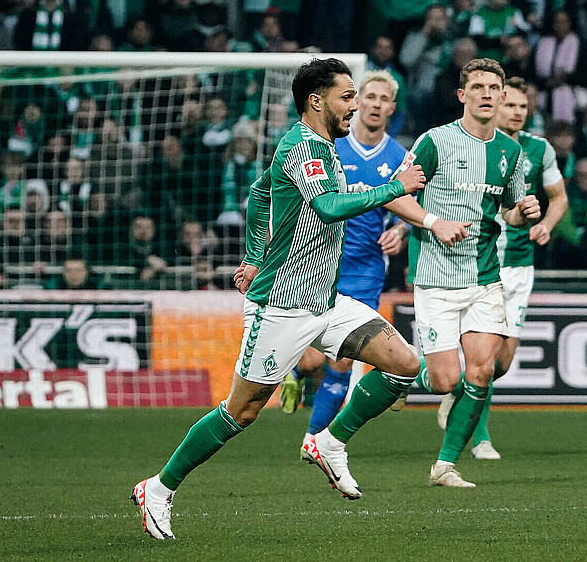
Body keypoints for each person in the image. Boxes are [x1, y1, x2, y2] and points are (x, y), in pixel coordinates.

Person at [131, 58, 428, 539]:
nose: (354, 105)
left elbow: (259, 192)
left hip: (327, 300)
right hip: (282, 305)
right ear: (317, 101)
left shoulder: (327, 149)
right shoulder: (303, 147)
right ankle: (159, 489)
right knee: (241, 412)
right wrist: (395, 187)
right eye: (346, 96)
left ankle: (329, 442)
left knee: (402, 363)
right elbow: (329, 207)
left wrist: (251, 254)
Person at [277, 71, 468, 442]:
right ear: (358, 102)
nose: (377, 104)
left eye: (384, 99)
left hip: (366, 268)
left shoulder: (400, 157)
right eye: (371, 97)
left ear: (392, 108)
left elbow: (411, 205)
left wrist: (399, 230)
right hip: (318, 264)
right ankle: (297, 374)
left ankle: (313, 439)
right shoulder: (330, 146)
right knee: (315, 356)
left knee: (344, 359)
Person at [388, 58, 541, 487]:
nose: (489, 94)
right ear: (463, 95)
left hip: (485, 277)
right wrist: (433, 222)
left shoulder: (511, 154)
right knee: (444, 380)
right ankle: (400, 374)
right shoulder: (435, 142)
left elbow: (509, 213)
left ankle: (445, 466)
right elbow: (396, 196)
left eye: (495, 87)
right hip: (436, 277)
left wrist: (524, 212)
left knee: (483, 370)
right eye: (479, 87)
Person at [435, 76, 567, 460]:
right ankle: (480, 439)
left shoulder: (538, 150)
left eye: (523, 108)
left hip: (520, 266)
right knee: (484, 359)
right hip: (478, 262)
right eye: (511, 105)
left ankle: (458, 396)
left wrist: (546, 223)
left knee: (502, 363)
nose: (517, 113)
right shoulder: (477, 146)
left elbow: (558, 197)